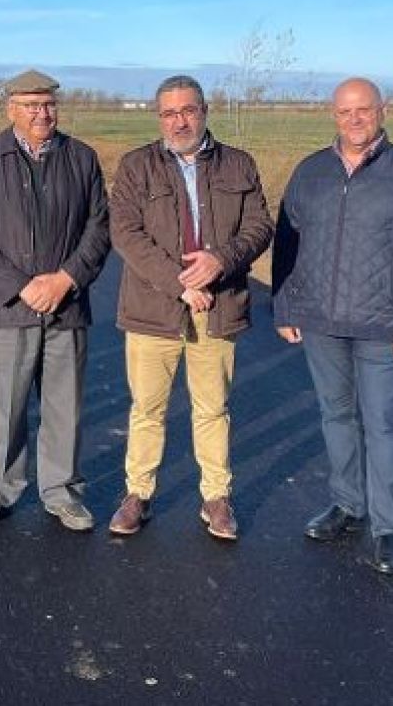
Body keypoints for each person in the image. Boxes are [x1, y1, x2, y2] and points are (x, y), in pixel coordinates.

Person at [272, 76, 393, 574]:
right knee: (336, 416)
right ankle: (348, 504)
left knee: (383, 424)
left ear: (382, 111)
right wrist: (286, 307)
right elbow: (286, 244)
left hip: (384, 323)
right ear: (333, 115)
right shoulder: (311, 172)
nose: (354, 120)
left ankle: (388, 526)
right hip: (322, 323)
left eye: (364, 110)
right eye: (344, 112)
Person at [107, 75, 274, 540]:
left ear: (204, 110)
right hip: (153, 308)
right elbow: (125, 233)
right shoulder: (137, 166)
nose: (179, 121)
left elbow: (260, 226)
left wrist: (221, 260)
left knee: (212, 408)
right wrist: (180, 283)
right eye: (169, 113)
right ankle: (137, 494)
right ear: (158, 117)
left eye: (187, 110)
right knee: (147, 409)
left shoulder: (239, 164)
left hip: (217, 307)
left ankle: (216, 498)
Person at [0, 70, 110, 532]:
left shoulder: (81, 157)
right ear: (11, 109)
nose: (41, 113)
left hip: (67, 305)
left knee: (65, 405)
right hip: (9, 307)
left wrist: (65, 279)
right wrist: (23, 286)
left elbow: (99, 227)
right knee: (6, 407)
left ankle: (62, 492)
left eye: (47, 104)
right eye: (30, 105)